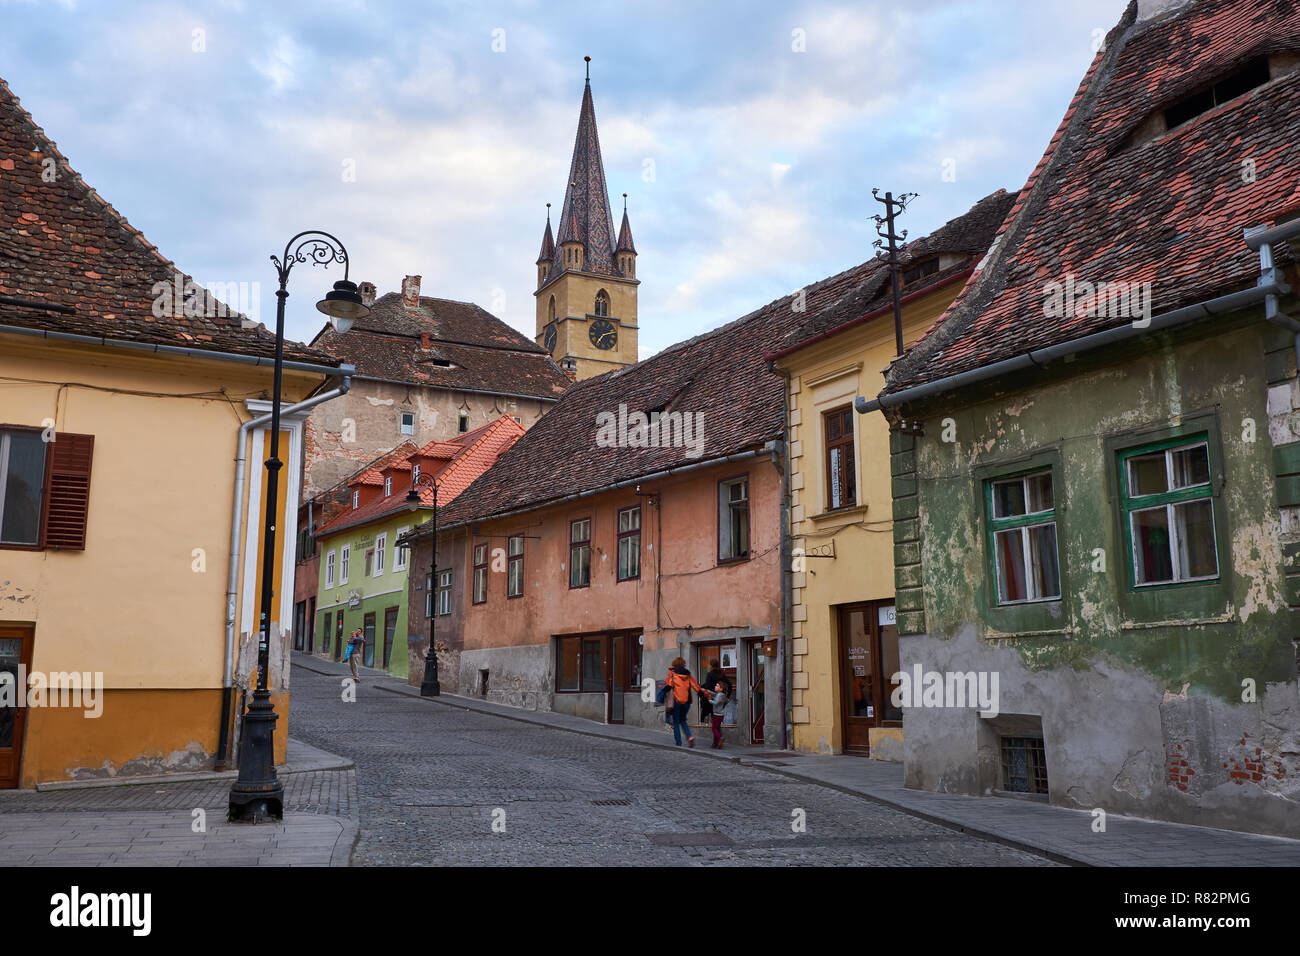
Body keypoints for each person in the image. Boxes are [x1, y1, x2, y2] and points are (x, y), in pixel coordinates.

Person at [665, 657, 705, 747]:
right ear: (683, 664)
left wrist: (663, 695)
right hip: (686, 702)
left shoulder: (672, 673)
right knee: (683, 720)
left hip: (676, 701)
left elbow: (668, 685)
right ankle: (689, 737)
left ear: (674, 664)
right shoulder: (688, 674)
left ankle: (678, 743)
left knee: (676, 722)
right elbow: (695, 686)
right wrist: (702, 695)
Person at [700, 657, 729, 722]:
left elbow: (707, 686)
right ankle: (716, 728)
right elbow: (729, 684)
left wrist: (703, 691)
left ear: (711, 665)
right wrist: (727, 697)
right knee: (716, 717)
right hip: (720, 699)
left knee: (704, 715)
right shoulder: (721, 674)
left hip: (711, 698)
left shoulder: (710, 674)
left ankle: (706, 727)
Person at [708, 682, 728, 749]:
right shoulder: (720, 694)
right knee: (717, 729)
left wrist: (709, 700)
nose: (715, 686)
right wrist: (707, 691)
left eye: (717, 686)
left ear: (721, 689)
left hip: (717, 714)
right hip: (720, 714)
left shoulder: (720, 695)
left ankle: (720, 738)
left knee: (714, 729)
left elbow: (715, 702)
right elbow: (714, 694)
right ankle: (715, 744)